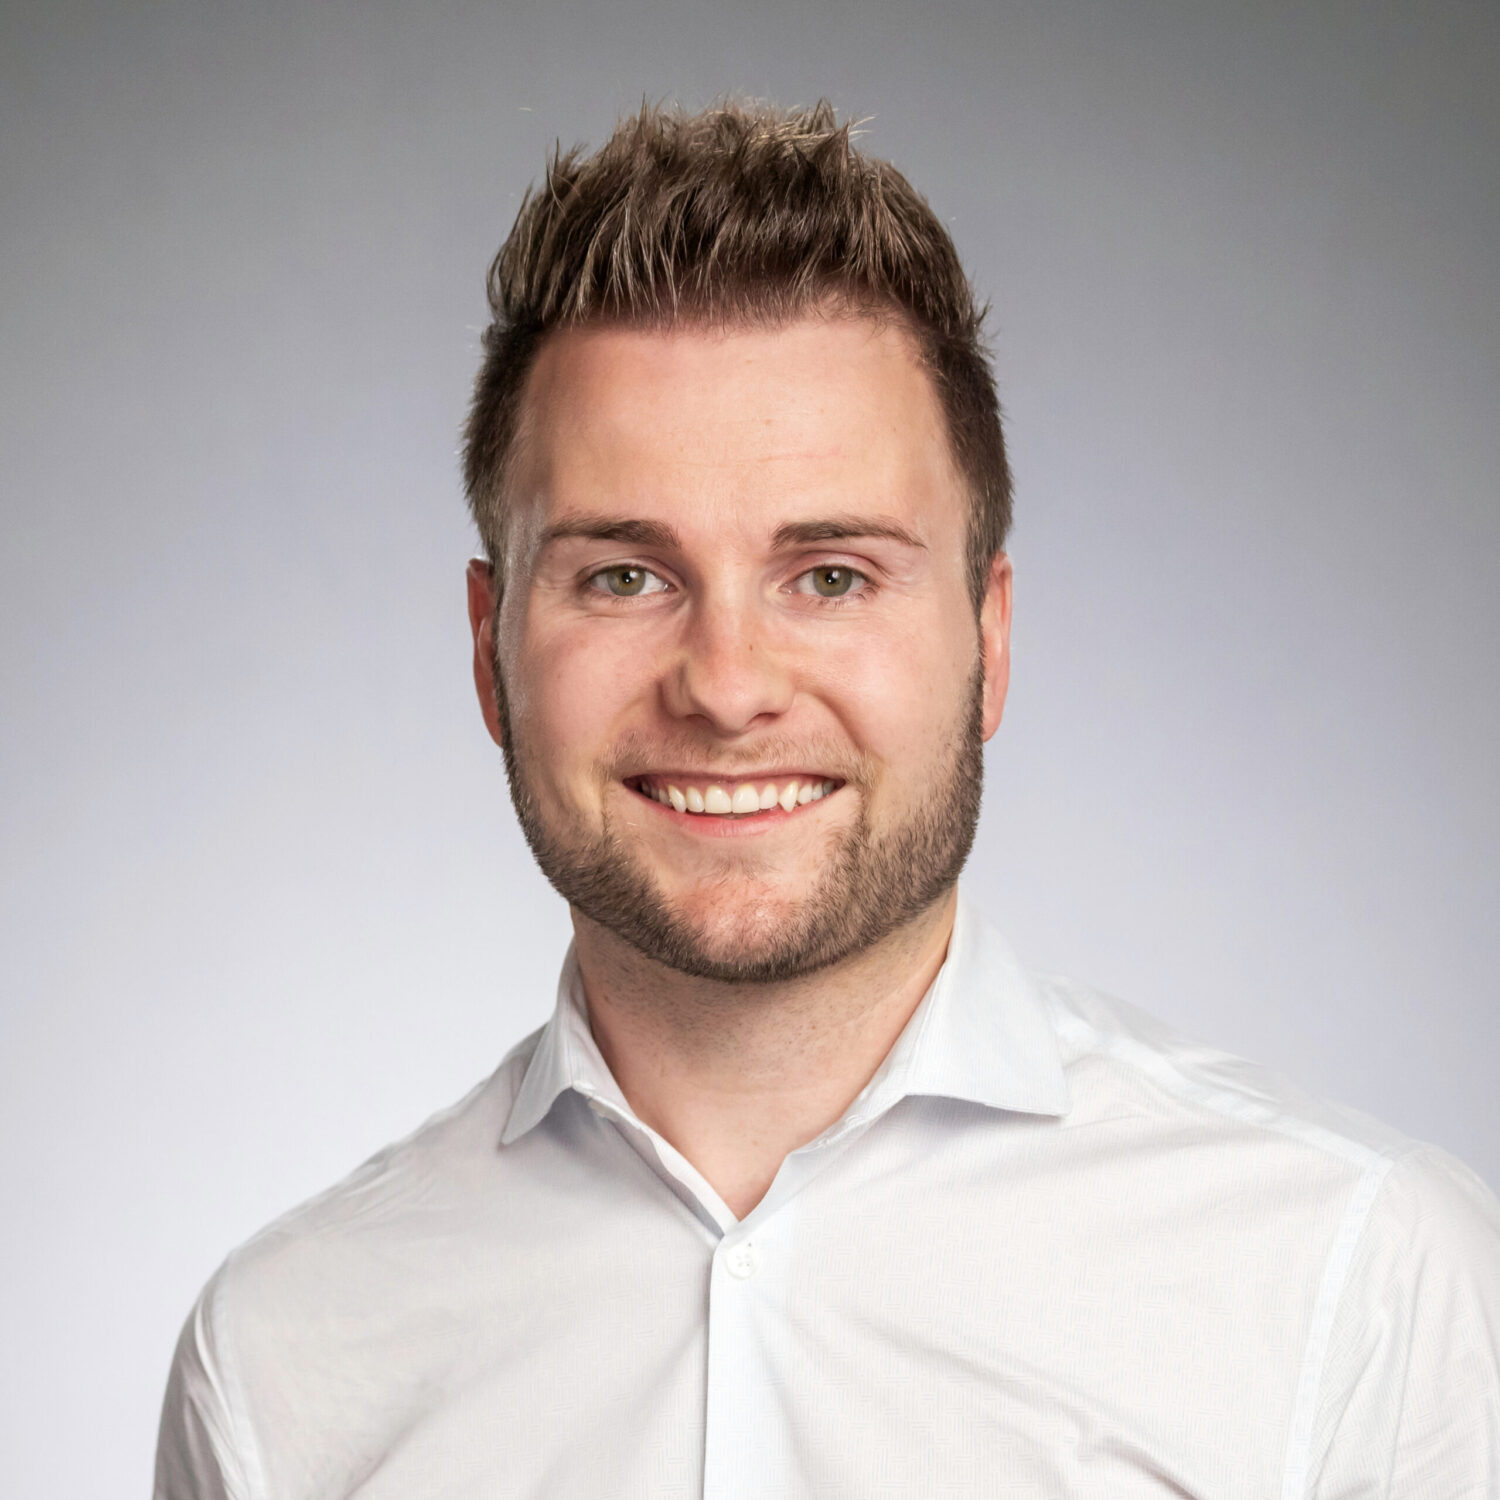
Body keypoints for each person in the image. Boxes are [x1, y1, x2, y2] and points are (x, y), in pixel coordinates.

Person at [155, 101, 1500, 1499]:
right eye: (625, 575)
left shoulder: (1370, 1293)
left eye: (833, 575)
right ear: (490, 648)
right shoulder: (279, 1369)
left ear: (991, 641)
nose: (728, 687)